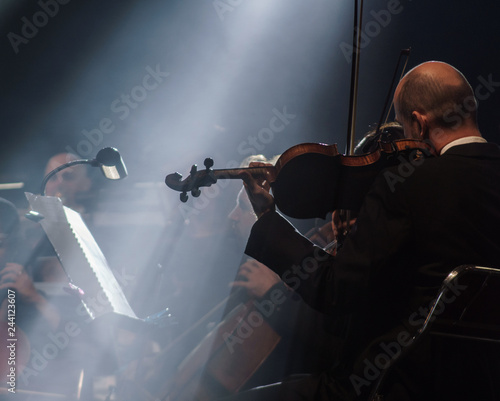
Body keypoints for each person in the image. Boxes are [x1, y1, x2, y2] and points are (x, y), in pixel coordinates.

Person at [220, 61, 500, 401]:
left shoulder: (409, 185)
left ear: (420, 122)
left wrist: (267, 217)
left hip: (392, 386)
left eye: (407, 129)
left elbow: (334, 290)